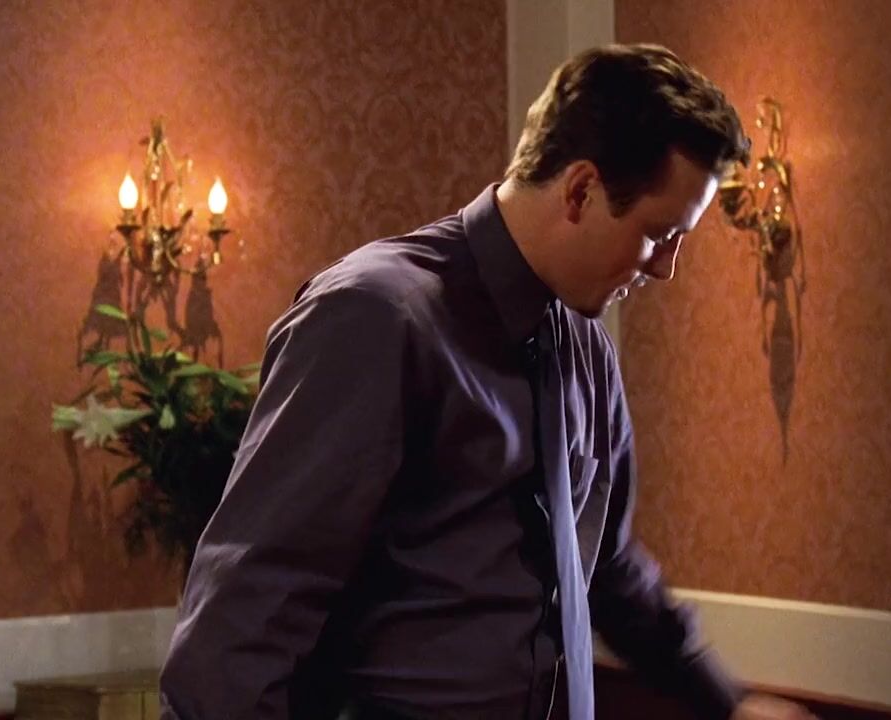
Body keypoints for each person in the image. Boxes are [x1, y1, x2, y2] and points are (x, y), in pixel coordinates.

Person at [159, 43, 817, 720]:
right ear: (581, 191)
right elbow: (248, 610)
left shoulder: (587, 351)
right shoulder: (376, 316)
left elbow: (608, 571)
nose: (665, 268)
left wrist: (728, 704)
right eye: (659, 235)